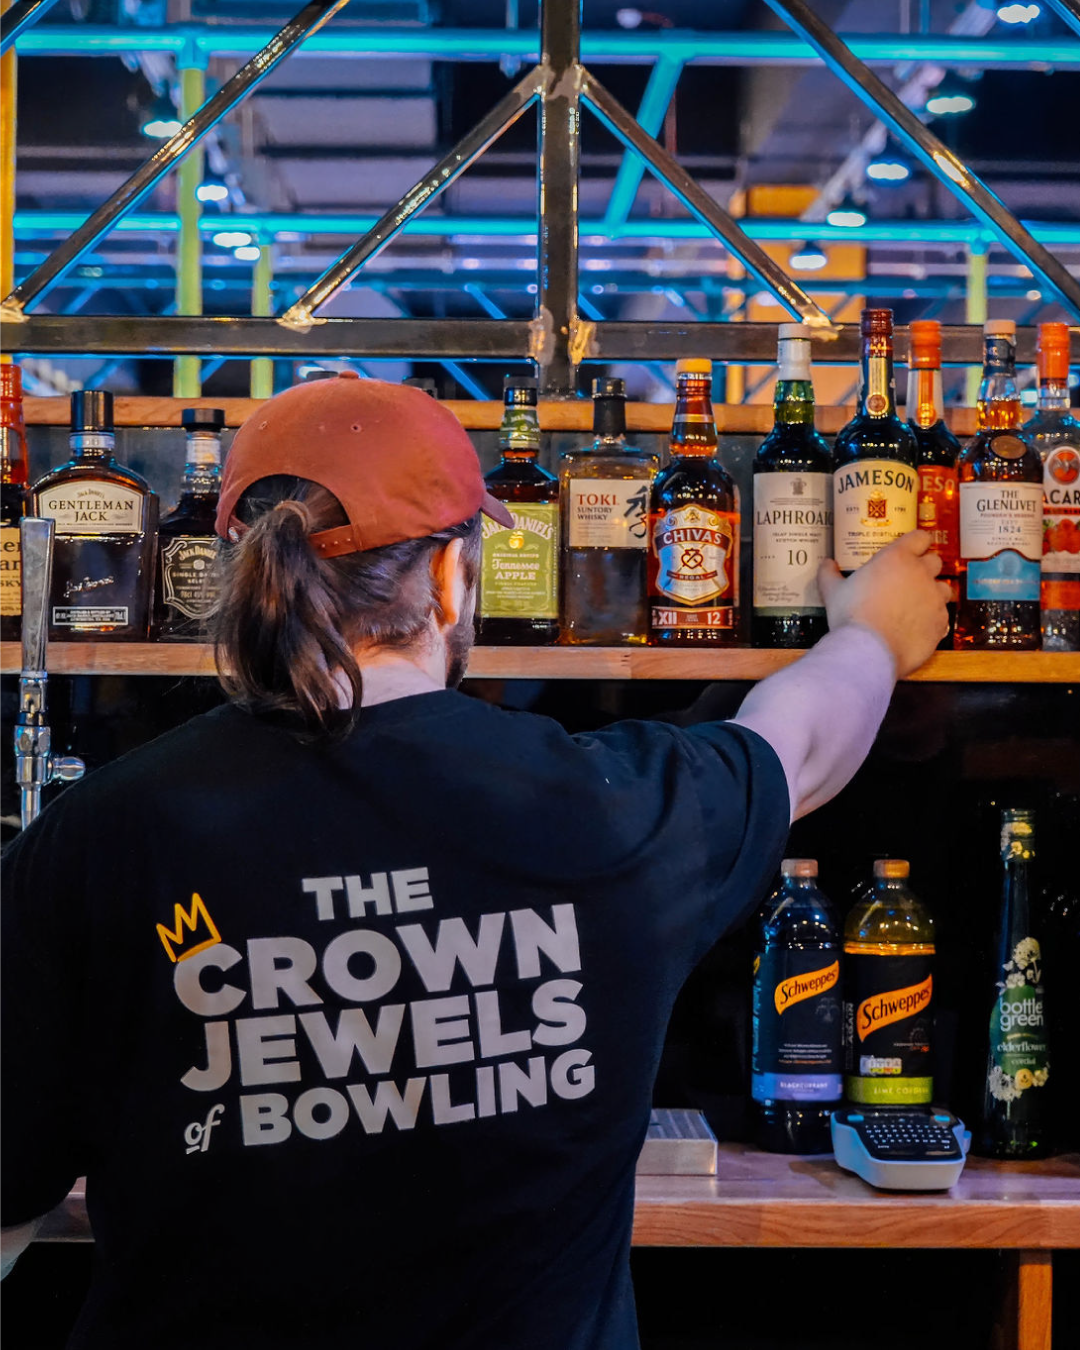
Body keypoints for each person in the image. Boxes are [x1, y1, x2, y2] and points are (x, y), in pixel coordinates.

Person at [0, 374, 948, 1349]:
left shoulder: (98, 836)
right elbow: (799, 745)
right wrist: (873, 632)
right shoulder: (609, 810)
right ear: (454, 576)